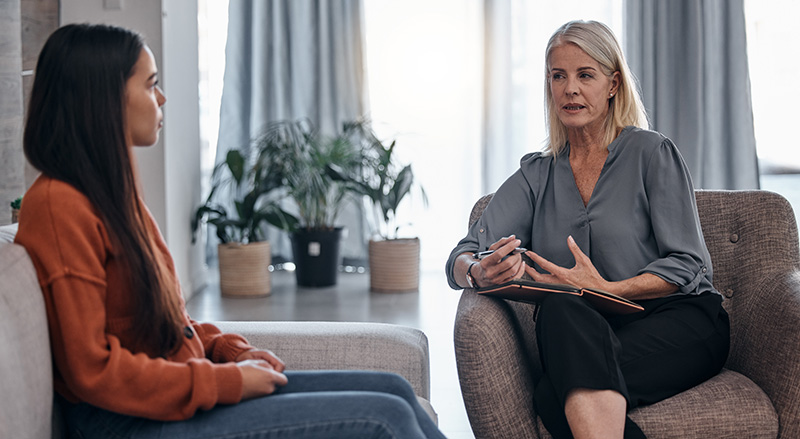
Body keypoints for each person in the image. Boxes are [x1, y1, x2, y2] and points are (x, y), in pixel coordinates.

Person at [15, 23, 445, 439]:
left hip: (167, 400)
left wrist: (231, 353)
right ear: (102, 100)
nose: (162, 97)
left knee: (394, 390)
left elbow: (168, 324)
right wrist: (227, 383)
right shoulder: (58, 205)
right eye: (150, 85)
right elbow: (92, 370)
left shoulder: (110, 196)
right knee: (384, 416)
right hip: (126, 424)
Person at [445, 20, 730, 439]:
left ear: (613, 84)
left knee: (550, 395)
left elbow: (688, 264)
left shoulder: (651, 152)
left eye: (585, 75)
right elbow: (462, 253)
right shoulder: (536, 175)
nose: (569, 89)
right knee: (560, 305)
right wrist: (476, 272)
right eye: (558, 76)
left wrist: (608, 289)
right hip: (588, 333)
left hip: (679, 320)